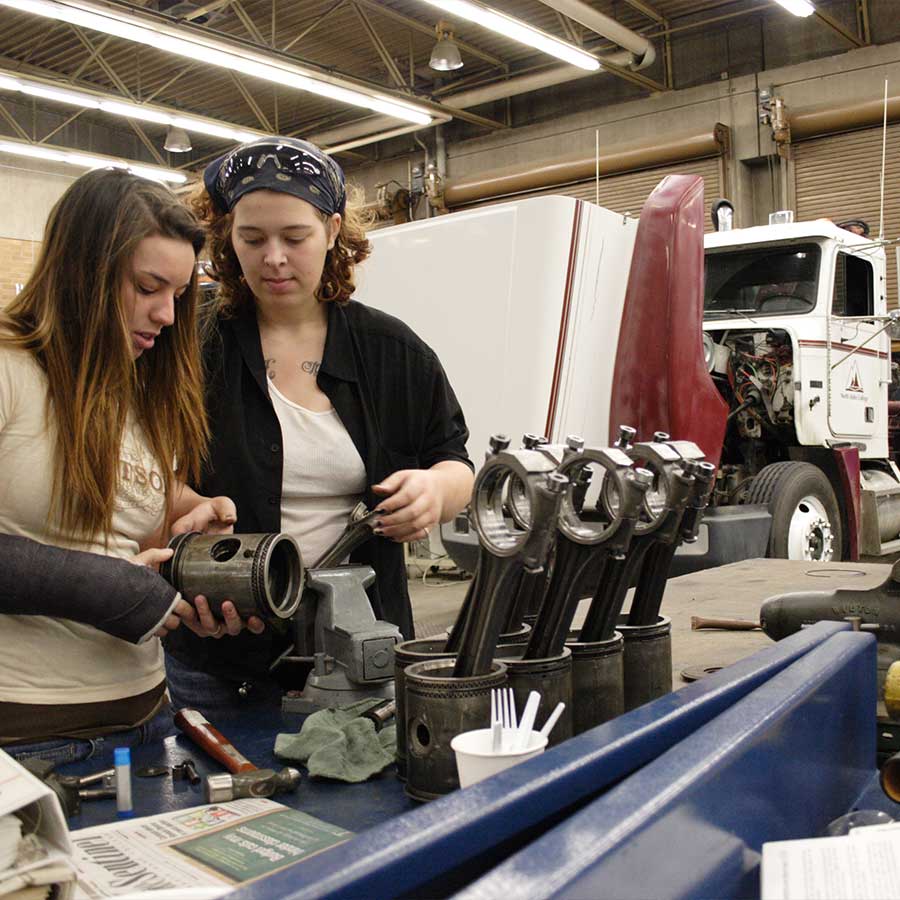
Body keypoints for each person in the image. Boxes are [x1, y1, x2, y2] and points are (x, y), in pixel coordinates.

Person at [163, 137, 474, 715]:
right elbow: (135, 473)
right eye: (252, 239)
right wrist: (182, 513)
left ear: (333, 230)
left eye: (295, 238)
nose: (273, 258)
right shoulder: (187, 343)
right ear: (228, 237)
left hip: (361, 651)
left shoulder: (392, 352)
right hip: (220, 653)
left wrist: (435, 491)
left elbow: (455, 462)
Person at [0, 168, 239, 762]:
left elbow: (128, 532)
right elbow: (104, 571)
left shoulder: (138, 393)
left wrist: (193, 540)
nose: (166, 314)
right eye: (148, 286)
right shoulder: (9, 369)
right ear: (82, 271)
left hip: (148, 723)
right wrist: (108, 589)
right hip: (27, 741)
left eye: (178, 296)